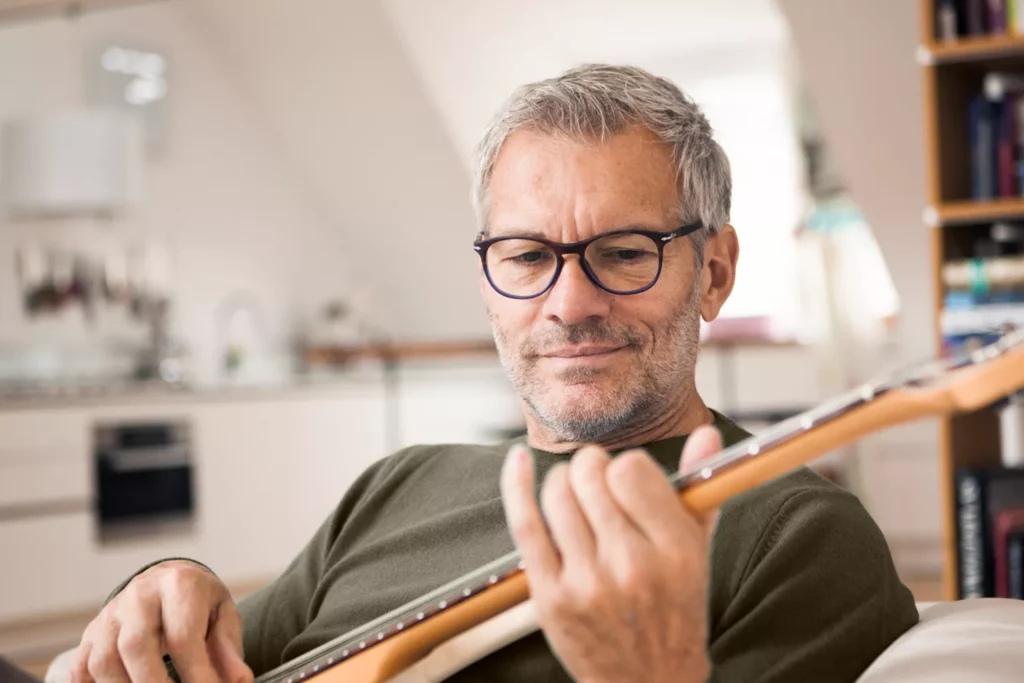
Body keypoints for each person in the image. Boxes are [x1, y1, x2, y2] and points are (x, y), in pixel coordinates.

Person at [68, 64, 917, 683]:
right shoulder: (400, 484)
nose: (569, 301)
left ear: (717, 273)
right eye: (527, 255)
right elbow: (206, 654)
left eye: (624, 254)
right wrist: (164, 590)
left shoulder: (795, 536)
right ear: (487, 281)